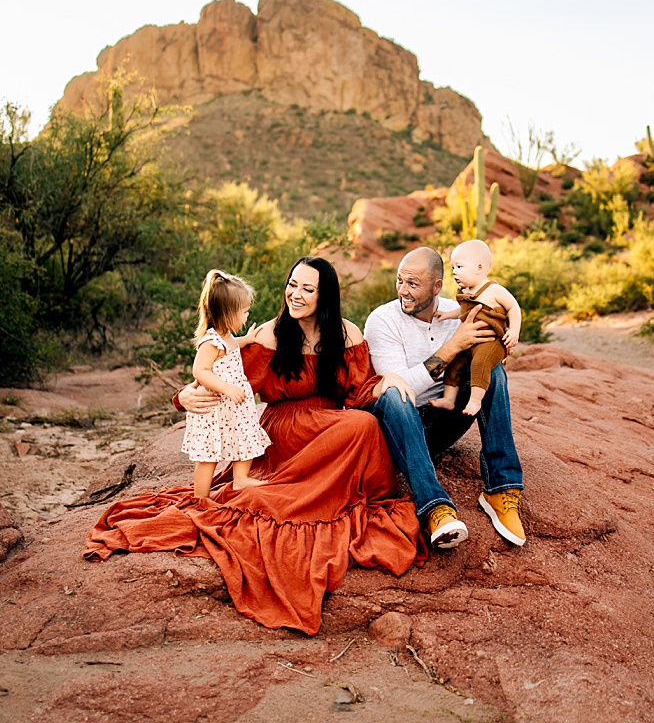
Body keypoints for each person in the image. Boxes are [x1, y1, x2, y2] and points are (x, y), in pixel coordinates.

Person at [84, 256, 423, 636]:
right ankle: (308, 495)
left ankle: (323, 494)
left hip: (330, 426)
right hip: (285, 428)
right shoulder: (270, 334)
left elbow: (359, 392)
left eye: (307, 289)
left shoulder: (347, 334)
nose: (295, 294)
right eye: (292, 284)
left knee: (365, 423)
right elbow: (218, 373)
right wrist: (182, 396)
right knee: (359, 425)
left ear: (325, 295)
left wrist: (388, 380)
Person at [364, 246, 526, 549]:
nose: (403, 291)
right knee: (393, 393)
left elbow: (491, 350)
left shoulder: (462, 311)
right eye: (400, 280)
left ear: (437, 286)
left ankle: (501, 487)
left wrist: (499, 346)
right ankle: (435, 508)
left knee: (492, 371)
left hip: (443, 420)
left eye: (413, 283)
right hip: (401, 428)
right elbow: (401, 387)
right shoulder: (381, 321)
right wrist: (453, 347)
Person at [182, 269, 270, 497]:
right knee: (208, 456)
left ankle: (240, 479)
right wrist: (226, 388)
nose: (247, 316)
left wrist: (247, 339)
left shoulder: (227, 336)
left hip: (232, 406)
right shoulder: (210, 341)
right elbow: (200, 370)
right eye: (244, 312)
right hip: (215, 407)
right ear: (227, 314)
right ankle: (201, 497)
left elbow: (232, 347)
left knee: (246, 438)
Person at [429, 239, 522, 416]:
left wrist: (514, 331)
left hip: (492, 340)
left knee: (481, 363)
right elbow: (463, 311)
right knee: (454, 363)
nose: (454, 272)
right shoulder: (466, 293)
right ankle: (449, 399)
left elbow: (514, 308)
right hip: (471, 341)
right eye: (453, 268)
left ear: (479, 268)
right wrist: (447, 314)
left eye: (459, 267)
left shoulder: (493, 290)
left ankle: (475, 401)